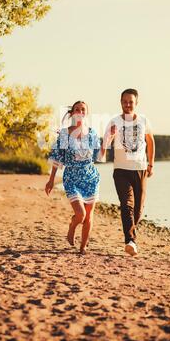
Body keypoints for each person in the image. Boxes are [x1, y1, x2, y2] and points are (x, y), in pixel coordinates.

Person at [101, 89, 155, 256]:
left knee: (138, 209)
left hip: (140, 169)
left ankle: (131, 230)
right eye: (125, 101)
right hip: (121, 170)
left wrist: (151, 164)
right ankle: (130, 240)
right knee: (126, 205)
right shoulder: (114, 121)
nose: (127, 104)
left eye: (131, 101)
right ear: (121, 102)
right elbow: (105, 144)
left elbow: (150, 142)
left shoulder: (144, 120)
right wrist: (108, 138)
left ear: (136, 103)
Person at [45, 101, 101, 255]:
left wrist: (108, 139)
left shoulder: (92, 133)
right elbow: (57, 158)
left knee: (89, 216)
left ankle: (83, 247)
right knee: (81, 215)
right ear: (72, 113)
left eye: (83, 109)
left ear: (86, 113)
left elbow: (99, 156)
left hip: (90, 177)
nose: (80, 112)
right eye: (77, 109)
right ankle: (72, 227)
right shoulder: (64, 134)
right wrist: (51, 180)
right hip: (71, 178)